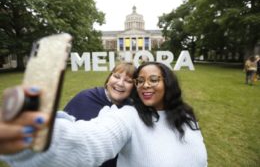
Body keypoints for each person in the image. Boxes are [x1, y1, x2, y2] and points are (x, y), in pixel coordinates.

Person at [0, 62, 207, 167]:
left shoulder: (187, 117)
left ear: (168, 83)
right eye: (140, 81)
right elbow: (87, 140)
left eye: (153, 79)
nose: (145, 85)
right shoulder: (128, 116)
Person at [64, 62, 135, 167]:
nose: (120, 83)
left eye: (128, 81)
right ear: (108, 79)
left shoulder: (133, 110)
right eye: (116, 76)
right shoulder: (85, 98)